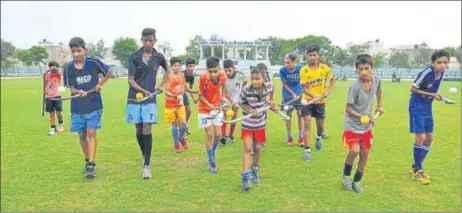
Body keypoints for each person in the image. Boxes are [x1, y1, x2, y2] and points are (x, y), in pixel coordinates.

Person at [63, 37, 113, 179]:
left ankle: (91, 165)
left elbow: (109, 72)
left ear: (85, 49)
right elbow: (71, 88)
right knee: (82, 135)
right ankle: (87, 160)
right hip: (77, 107)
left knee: (91, 132)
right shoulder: (68, 68)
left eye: (79, 50)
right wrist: (78, 92)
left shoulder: (93, 62)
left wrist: (100, 84)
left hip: (94, 104)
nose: (76, 54)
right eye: (73, 51)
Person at [125, 28, 169, 179]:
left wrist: (162, 84)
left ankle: (146, 166)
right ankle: (144, 155)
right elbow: (130, 80)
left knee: (147, 128)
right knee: (138, 130)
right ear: (142, 40)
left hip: (150, 99)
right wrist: (143, 90)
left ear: (155, 41)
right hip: (134, 98)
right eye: (145, 40)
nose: (148, 43)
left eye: (151, 40)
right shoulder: (134, 57)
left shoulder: (159, 56)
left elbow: (167, 70)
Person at [341, 54, 383, 193]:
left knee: (365, 153)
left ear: (372, 68)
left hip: (366, 127)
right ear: (356, 71)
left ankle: (357, 182)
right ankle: (346, 177)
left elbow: (378, 89)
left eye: (366, 68)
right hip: (352, 125)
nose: (364, 72)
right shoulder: (355, 87)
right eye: (361, 69)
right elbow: (348, 108)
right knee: (354, 150)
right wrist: (364, 116)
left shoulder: (376, 80)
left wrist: (379, 105)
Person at [408, 49, 450, 185]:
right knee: (421, 137)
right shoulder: (427, 72)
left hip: (427, 107)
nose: (442, 65)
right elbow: (412, 89)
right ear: (433, 63)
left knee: (430, 138)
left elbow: (433, 90)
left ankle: (416, 166)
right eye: (439, 62)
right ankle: (418, 170)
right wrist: (432, 95)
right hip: (416, 106)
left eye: (445, 62)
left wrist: (437, 96)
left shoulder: (442, 73)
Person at [239, 67, 276, 191]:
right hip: (248, 125)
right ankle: (245, 176)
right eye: (253, 78)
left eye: (257, 79)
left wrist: (271, 103)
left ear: (264, 78)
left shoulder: (268, 87)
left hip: (260, 124)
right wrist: (250, 110)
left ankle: (254, 169)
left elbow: (272, 91)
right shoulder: (246, 90)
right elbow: (241, 103)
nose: (254, 81)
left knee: (258, 148)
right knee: (248, 148)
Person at [299, 44, 336, 159]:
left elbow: (333, 79)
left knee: (320, 125)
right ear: (307, 56)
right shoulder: (304, 70)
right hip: (307, 100)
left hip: (321, 101)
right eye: (310, 55)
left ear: (318, 55)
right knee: (307, 122)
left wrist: (328, 91)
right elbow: (304, 87)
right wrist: (313, 95)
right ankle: (307, 150)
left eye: (314, 55)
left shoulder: (324, 68)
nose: (312, 57)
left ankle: (319, 137)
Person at [197, 56, 228, 174]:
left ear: (219, 68)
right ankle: (211, 161)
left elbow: (223, 90)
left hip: (216, 107)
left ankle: (211, 153)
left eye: (216, 71)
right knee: (209, 134)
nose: (214, 74)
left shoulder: (223, 75)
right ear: (207, 70)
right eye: (210, 72)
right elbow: (200, 96)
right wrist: (211, 107)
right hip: (204, 109)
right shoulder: (203, 78)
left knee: (219, 134)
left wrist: (222, 101)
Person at [164, 57, 198, 153]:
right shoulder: (169, 76)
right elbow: (165, 91)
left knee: (183, 124)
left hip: (180, 104)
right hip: (170, 105)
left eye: (179, 65)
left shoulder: (182, 75)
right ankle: (176, 144)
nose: (177, 67)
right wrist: (175, 96)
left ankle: (181, 138)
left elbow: (186, 89)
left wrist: (196, 92)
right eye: (175, 66)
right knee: (174, 124)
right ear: (171, 66)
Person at [279, 54, 304, 146]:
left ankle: (301, 137)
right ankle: (289, 137)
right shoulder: (282, 70)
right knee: (288, 115)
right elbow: (284, 84)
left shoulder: (300, 68)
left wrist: (299, 94)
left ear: (293, 62)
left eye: (288, 63)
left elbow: (304, 82)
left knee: (300, 115)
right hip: (287, 94)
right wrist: (293, 94)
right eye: (285, 62)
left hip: (299, 93)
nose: (286, 64)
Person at [221, 59, 247, 144]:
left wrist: (241, 92)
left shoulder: (240, 75)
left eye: (229, 70)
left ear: (234, 68)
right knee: (224, 112)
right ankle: (224, 136)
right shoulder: (222, 76)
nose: (227, 72)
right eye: (226, 70)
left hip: (237, 96)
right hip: (226, 95)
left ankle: (231, 136)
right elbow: (224, 91)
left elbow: (245, 82)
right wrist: (231, 100)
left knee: (234, 113)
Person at [43, 61, 64, 136]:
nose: (55, 69)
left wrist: (48, 70)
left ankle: (61, 124)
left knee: (58, 112)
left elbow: (55, 69)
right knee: (51, 114)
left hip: (57, 95)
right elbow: (45, 85)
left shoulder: (58, 74)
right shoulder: (46, 75)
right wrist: (44, 92)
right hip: (48, 96)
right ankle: (53, 129)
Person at [256, 62, 274, 147]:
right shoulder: (256, 81)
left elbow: (271, 90)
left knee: (263, 122)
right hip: (254, 105)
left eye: (265, 72)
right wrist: (266, 102)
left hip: (263, 106)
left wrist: (271, 101)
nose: (264, 74)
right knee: (255, 123)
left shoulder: (269, 81)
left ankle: (262, 139)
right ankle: (255, 141)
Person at [182, 58, 197, 136]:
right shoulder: (182, 74)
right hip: (176, 94)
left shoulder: (192, 76)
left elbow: (190, 88)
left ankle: (185, 124)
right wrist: (198, 92)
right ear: (186, 66)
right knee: (180, 113)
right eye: (190, 66)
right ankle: (181, 129)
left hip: (183, 93)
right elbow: (186, 89)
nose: (192, 68)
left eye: (193, 66)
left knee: (189, 111)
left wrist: (194, 99)